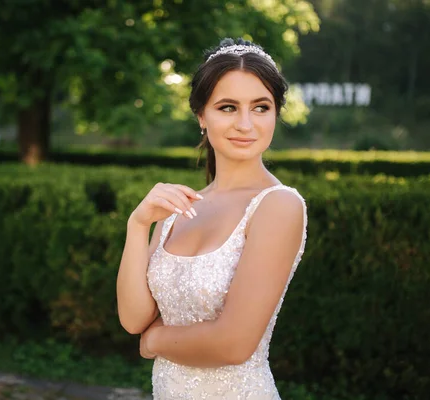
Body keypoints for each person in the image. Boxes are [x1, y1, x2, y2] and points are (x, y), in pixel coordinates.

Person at [116, 37, 308, 399]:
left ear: (276, 115)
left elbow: (233, 344)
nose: (246, 124)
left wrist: (156, 339)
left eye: (261, 107)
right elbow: (133, 318)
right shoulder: (179, 208)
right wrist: (137, 225)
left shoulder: (278, 206)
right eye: (228, 107)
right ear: (201, 116)